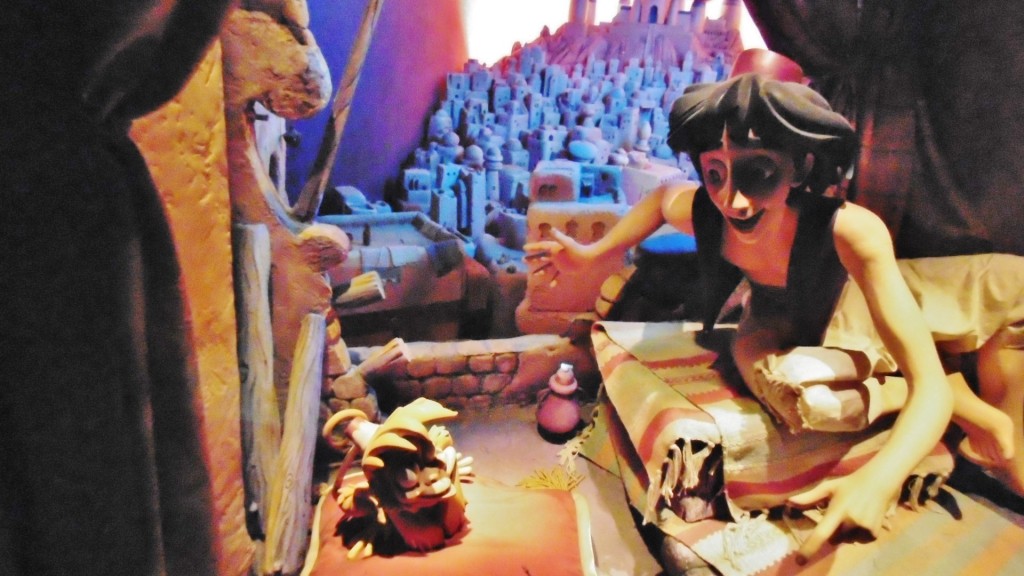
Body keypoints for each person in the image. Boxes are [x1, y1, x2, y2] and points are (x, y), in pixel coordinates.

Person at [525, 49, 1024, 563]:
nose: (733, 201)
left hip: (858, 314)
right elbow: (660, 200)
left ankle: (948, 397)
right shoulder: (709, 212)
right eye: (715, 174)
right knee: (789, 395)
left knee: (938, 410)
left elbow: (926, 386)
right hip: (776, 317)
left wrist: (878, 481)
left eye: (757, 173)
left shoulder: (849, 231)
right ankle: (939, 398)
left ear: (800, 166)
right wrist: (591, 254)